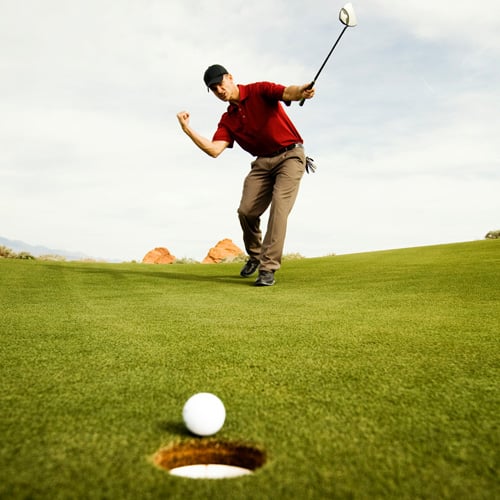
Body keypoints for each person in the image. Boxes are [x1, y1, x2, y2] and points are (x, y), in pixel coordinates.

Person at [176, 64, 315, 286]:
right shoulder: (228, 119)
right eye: (214, 89)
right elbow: (214, 150)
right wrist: (187, 129)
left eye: (221, 84)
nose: (219, 91)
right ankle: (255, 254)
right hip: (262, 163)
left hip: (290, 156)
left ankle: (267, 268)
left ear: (230, 78)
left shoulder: (259, 90)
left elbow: (289, 92)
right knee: (246, 211)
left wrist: (303, 90)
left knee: (279, 209)